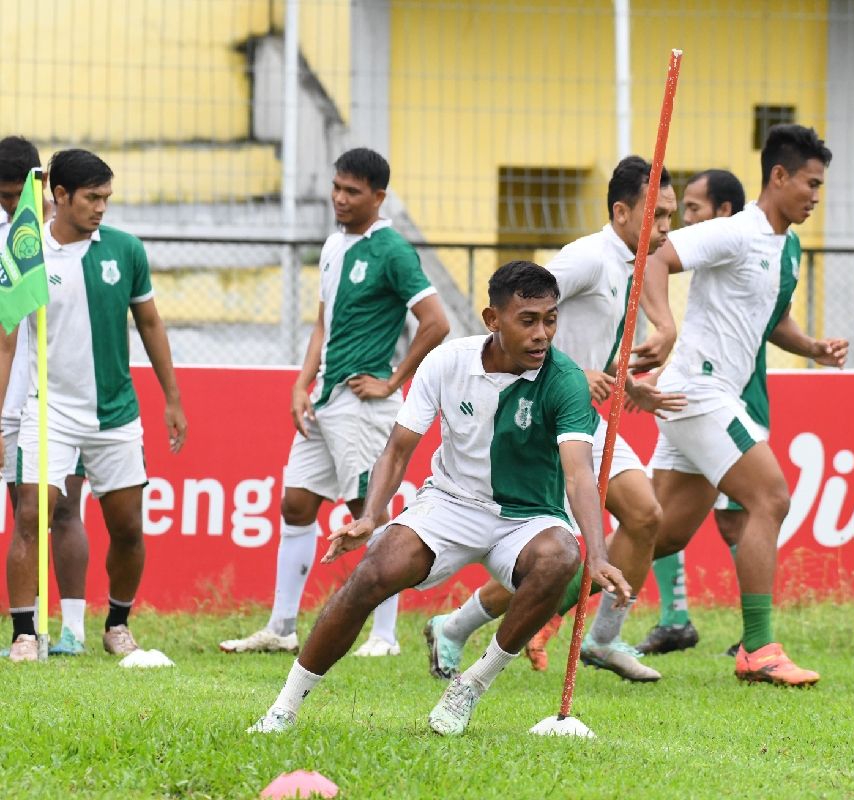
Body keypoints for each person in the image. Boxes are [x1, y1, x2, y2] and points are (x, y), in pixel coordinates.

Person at [248, 260, 630, 737]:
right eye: (527, 320)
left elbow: (578, 475)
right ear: (493, 320)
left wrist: (598, 552)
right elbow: (398, 447)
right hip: (450, 503)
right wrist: (370, 516)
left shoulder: (566, 380)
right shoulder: (448, 362)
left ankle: (470, 685)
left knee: (563, 556)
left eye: (550, 319)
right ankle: (284, 707)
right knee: (372, 572)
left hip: (527, 518)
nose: (542, 334)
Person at [422, 156, 683, 683]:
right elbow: (524, 312)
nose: (666, 230)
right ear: (621, 211)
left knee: (646, 515)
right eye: (657, 217)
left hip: (584, 414)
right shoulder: (587, 258)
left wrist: (632, 388)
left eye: (672, 218)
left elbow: (591, 345)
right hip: (544, 419)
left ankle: (603, 641)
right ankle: (453, 625)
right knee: (549, 558)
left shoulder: (627, 267)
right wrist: (574, 372)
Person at [220, 148, 449, 658]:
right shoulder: (332, 245)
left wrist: (392, 382)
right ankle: (281, 627)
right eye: (337, 187)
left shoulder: (391, 250)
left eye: (352, 191)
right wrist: (301, 384)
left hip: (363, 405)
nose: (340, 199)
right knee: (296, 504)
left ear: (378, 196)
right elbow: (322, 323)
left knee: (367, 510)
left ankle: (385, 636)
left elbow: (437, 321)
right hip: (324, 400)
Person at [642, 125, 847, 687]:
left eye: (821, 186)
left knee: (658, 535)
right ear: (778, 177)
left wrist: (812, 347)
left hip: (712, 397)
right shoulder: (734, 231)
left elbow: (773, 320)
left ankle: (522, 611)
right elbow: (655, 258)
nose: (815, 195)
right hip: (697, 391)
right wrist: (664, 326)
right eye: (810, 183)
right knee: (771, 497)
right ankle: (758, 647)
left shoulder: (789, 247)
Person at [0, 148, 187, 662]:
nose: (102, 207)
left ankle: (118, 624)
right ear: (59, 196)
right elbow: (6, 341)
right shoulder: (26, 252)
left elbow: (150, 323)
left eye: (107, 197)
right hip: (49, 411)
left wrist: (172, 397)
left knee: (127, 528)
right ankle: (22, 634)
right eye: (92, 198)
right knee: (30, 516)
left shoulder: (125, 250)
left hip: (116, 414)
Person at [639, 168, 747, 656]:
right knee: (651, 523)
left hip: (729, 400)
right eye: (670, 213)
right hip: (691, 393)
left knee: (756, 507)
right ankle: (672, 617)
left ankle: (757, 636)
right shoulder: (718, 261)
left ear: (723, 214)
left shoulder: (758, 248)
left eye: (692, 211)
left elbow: (770, 323)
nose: (679, 223)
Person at [0, 137, 91, 657]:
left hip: (54, 399)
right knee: (25, 513)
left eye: (18, 195)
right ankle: (27, 626)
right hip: (14, 398)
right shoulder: (11, 237)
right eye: (4, 198)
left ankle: (73, 628)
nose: (13, 207)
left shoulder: (64, 238)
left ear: (40, 184)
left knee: (62, 508)